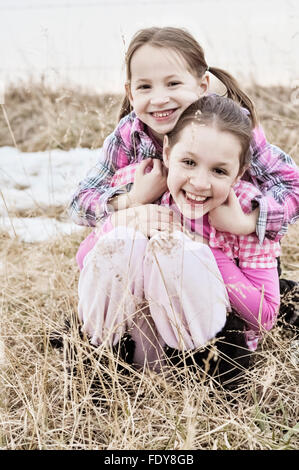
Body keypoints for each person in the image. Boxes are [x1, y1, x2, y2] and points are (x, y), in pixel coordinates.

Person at [70, 26, 299, 333]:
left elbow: (292, 186)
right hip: (158, 246)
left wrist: (247, 221)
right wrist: (132, 200)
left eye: (173, 83)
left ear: (202, 85)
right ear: (130, 92)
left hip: (237, 254)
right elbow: (80, 201)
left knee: (237, 317)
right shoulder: (131, 135)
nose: (160, 99)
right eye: (145, 87)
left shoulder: (232, 128)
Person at [77, 95, 281, 376]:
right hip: (133, 345)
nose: (199, 182)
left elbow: (264, 317)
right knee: (124, 241)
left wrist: (206, 250)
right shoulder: (144, 186)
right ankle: (102, 366)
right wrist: (124, 219)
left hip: (206, 354)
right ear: (168, 153)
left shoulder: (247, 211)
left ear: (238, 174)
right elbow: (86, 263)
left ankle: (191, 379)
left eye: (219, 170)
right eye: (188, 162)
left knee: (176, 252)